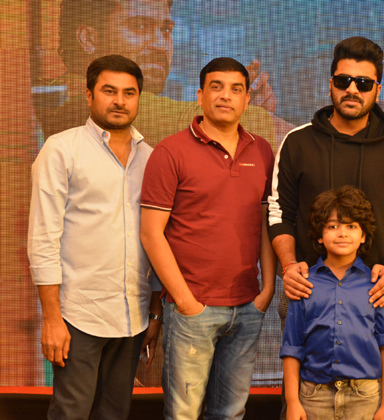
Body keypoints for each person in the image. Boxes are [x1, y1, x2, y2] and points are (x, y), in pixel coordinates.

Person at [139, 57, 276, 420]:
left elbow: (267, 224)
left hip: (247, 306)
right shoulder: (170, 152)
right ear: (200, 96)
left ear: (247, 99)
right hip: (192, 309)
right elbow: (151, 233)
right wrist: (185, 301)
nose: (225, 96)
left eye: (236, 89)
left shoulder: (262, 151)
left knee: (230, 413)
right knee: (183, 415)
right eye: (216, 87)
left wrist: (266, 291)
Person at [27, 54, 161, 420]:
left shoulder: (151, 158)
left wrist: (153, 309)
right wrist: (52, 318)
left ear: (138, 98)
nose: (119, 101)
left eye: (129, 93)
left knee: (114, 413)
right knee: (71, 413)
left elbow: (154, 239)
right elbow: (43, 238)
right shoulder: (61, 149)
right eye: (109, 91)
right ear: (89, 95)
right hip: (78, 314)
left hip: (133, 316)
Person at [268, 35, 384, 312]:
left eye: (364, 83)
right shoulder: (297, 143)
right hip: (306, 292)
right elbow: (279, 213)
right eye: (343, 81)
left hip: (375, 295)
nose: (352, 89)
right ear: (330, 85)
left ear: (377, 91)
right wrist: (288, 266)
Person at [36, 0, 291, 149]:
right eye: (140, 26)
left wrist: (240, 114)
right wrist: (241, 117)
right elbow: (293, 143)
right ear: (88, 39)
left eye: (166, 30)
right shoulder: (82, 102)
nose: (160, 44)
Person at [281, 186, 384, 420]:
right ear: (319, 235)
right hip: (314, 396)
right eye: (333, 226)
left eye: (351, 226)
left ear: (363, 235)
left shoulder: (377, 284)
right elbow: (292, 346)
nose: (342, 233)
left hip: (364, 397)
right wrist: (292, 402)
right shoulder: (303, 284)